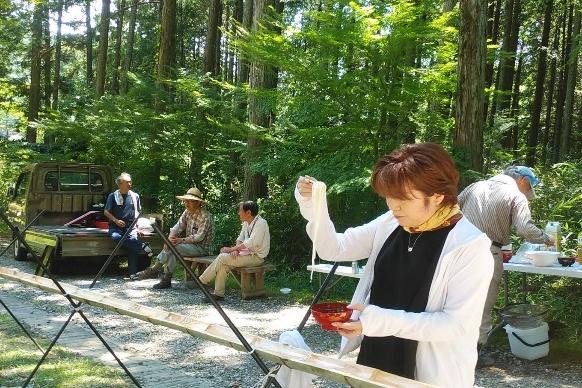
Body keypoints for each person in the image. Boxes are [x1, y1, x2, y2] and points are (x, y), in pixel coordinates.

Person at [295, 143, 493, 387]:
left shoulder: (469, 246)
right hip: (376, 353)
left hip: (428, 371)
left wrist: (375, 320)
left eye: (403, 198)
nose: (393, 206)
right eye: (389, 196)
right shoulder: (391, 222)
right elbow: (335, 248)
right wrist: (313, 204)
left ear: (438, 196)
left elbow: (454, 324)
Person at [458, 165, 554, 367]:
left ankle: (448, 352)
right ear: (522, 180)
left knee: (456, 300)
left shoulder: (475, 186)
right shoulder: (515, 195)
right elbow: (524, 228)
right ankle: (472, 357)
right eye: (529, 186)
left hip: (457, 251)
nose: (528, 191)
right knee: (482, 304)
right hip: (485, 253)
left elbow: (451, 210)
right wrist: (547, 239)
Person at [137, 187, 214, 289]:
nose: (186, 204)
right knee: (171, 248)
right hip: (190, 245)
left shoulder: (205, 216)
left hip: (202, 248)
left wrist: (180, 240)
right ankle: (165, 278)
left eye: (190, 201)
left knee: (173, 248)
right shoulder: (187, 212)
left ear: (198, 203)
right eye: (185, 201)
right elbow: (176, 227)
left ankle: (156, 271)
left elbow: (199, 237)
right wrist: (169, 239)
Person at [198, 201, 270, 302]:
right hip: (246, 254)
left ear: (248, 212)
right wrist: (236, 250)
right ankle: (218, 294)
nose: (238, 213)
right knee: (223, 265)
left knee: (223, 257)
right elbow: (240, 238)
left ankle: (202, 280)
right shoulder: (246, 222)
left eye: (240, 211)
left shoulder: (261, 223)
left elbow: (252, 242)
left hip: (257, 258)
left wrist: (232, 249)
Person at [104, 172, 153, 280]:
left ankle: (132, 273)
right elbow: (106, 212)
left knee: (132, 247)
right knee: (116, 237)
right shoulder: (113, 196)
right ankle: (142, 246)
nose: (130, 184)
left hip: (131, 227)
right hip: (115, 227)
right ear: (120, 184)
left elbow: (138, 213)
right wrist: (116, 220)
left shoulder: (135, 196)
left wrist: (138, 227)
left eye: (130, 181)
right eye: (127, 182)